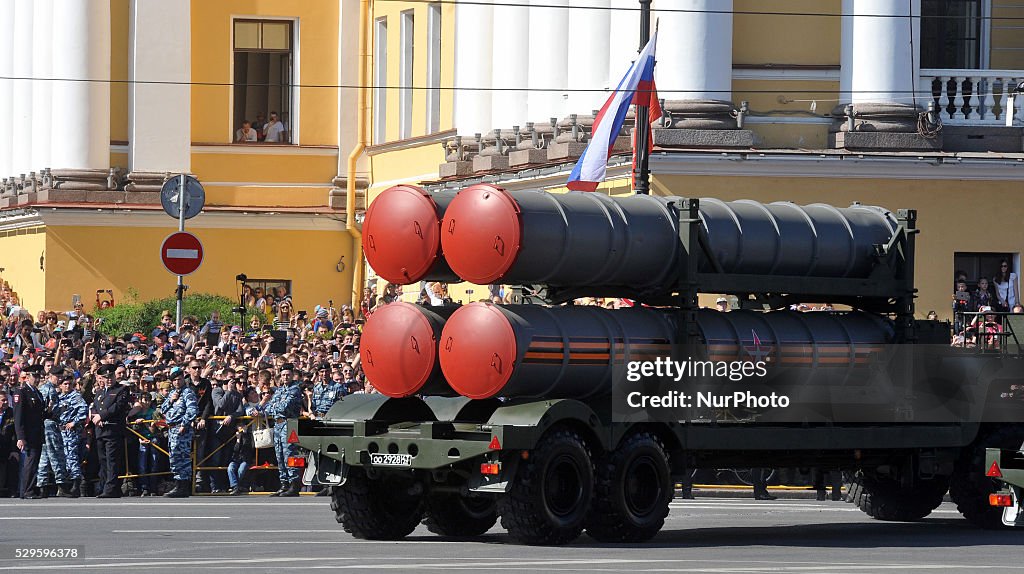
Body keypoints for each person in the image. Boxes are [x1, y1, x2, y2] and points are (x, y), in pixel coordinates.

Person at [90, 364, 130, 498]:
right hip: (100, 430)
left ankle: (110, 488)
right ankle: (107, 486)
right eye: (106, 377)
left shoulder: (122, 389)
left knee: (112, 460)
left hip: (113, 430)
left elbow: (117, 406)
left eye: (111, 376)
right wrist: (95, 416)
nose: (109, 379)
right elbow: (95, 406)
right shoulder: (100, 392)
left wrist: (102, 416)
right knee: (103, 460)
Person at [264, 363, 303, 496]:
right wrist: (274, 406)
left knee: (289, 454)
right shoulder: (280, 390)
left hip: (290, 423)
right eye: (283, 375)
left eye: (288, 375)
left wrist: (274, 406)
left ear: (292, 375)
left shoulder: (295, 389)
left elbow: (284, 407)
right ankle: (284, 483)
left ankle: (294, 484)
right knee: (279, 454)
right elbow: (268, 407)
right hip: (278, 424)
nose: (285, 377)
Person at [161, 367, 197, 498]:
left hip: (181, 428)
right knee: (174, 457)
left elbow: (192, 410)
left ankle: (183, 486)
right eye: (174, 380)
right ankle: (178, 484)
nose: (177, 382)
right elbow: (163, 409)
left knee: (182, 457)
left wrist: (184, 424)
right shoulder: (172, 393)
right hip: (172, 428)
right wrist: (171, 400)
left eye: (179, 379)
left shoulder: (188, 392)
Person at [36, 367, 72, 497]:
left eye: (62, 376)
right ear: (51, 375)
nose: (61, 379)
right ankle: (61, 485)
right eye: (58, 376)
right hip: (49, 424)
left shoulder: (49, 389)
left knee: (45, 457)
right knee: (56, 454)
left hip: (49, 424)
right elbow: (45, 410)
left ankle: (42, 485)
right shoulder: (48, 389)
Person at [12, 365, 45, 498]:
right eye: (34, 376)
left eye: (38, 377)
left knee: (34, 461)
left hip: (37, 432)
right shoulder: (22, 392)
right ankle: (26, 490)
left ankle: (30, 488)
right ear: (28, 376)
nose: (36, 379)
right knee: (30, 462)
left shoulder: (37, 392)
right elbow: (18, 416)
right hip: (28, 433)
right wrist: (20, 436)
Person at [227, 420, 254, 495]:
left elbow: (248, 447)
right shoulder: (233, 435)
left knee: (241, 470)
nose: (241, 427)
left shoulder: (249, 435)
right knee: (230, 468)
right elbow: (234, 450)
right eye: (239, 425)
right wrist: (238, 440)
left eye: (242, 425)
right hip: (235, 459)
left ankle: (236, 487)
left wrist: (245, 434)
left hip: (245, 459)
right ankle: (235, 486)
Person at [0, 393, 18, 497]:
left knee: (13, 459)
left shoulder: (12, 413)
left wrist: (13, 450)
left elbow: (15, 433)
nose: (6, 402)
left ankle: (12, 490)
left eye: (6, 400)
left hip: (8, 446)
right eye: (3, 400)